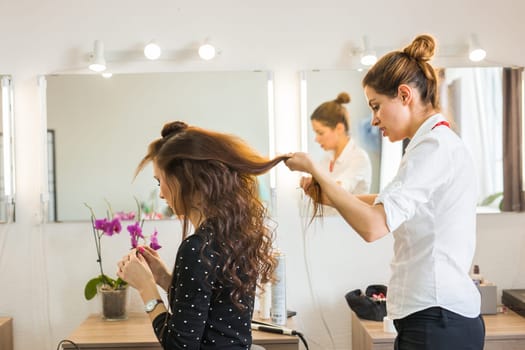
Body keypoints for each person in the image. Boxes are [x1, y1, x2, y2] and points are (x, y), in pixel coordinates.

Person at [285, 34, 485, 349]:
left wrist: (316, 169)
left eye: (377, 106)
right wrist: (325, 194)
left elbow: (374, 225)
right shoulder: (428, 144)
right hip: (430, 316)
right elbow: (381, 202)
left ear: (404, 95)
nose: (375, 119)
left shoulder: (434, 146)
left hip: (437, 318)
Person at [117, 121, 288, 349]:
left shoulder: (197, 247)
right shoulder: (233, 235)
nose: (160, 194)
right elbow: (210, 311)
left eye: (160, 181)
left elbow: (180, 346)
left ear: (187, 179)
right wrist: (165, 278)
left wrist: (145, 287)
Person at [309, 91, 372, 195]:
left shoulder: (359, 158)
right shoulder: (326, 158)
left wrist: (309, 167)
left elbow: (337, 191)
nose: (316, 139)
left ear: (339, 128)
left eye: (320, 133)